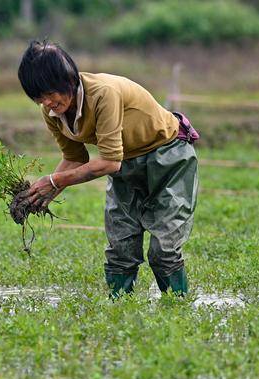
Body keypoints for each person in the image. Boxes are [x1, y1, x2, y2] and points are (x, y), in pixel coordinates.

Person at [17, 40, 199, 297]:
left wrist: (54, 181)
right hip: (126, 166)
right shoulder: (52, 111)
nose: (46, 102)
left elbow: (110, 161)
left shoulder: (103, 93)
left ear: (67, 79)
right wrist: (42, 195)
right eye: (38, 97)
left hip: (167, 158)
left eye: (49, 93)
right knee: (120, 247)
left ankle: (177, 306)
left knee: (164, 249)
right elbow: (74, 157)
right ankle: (119, 311)